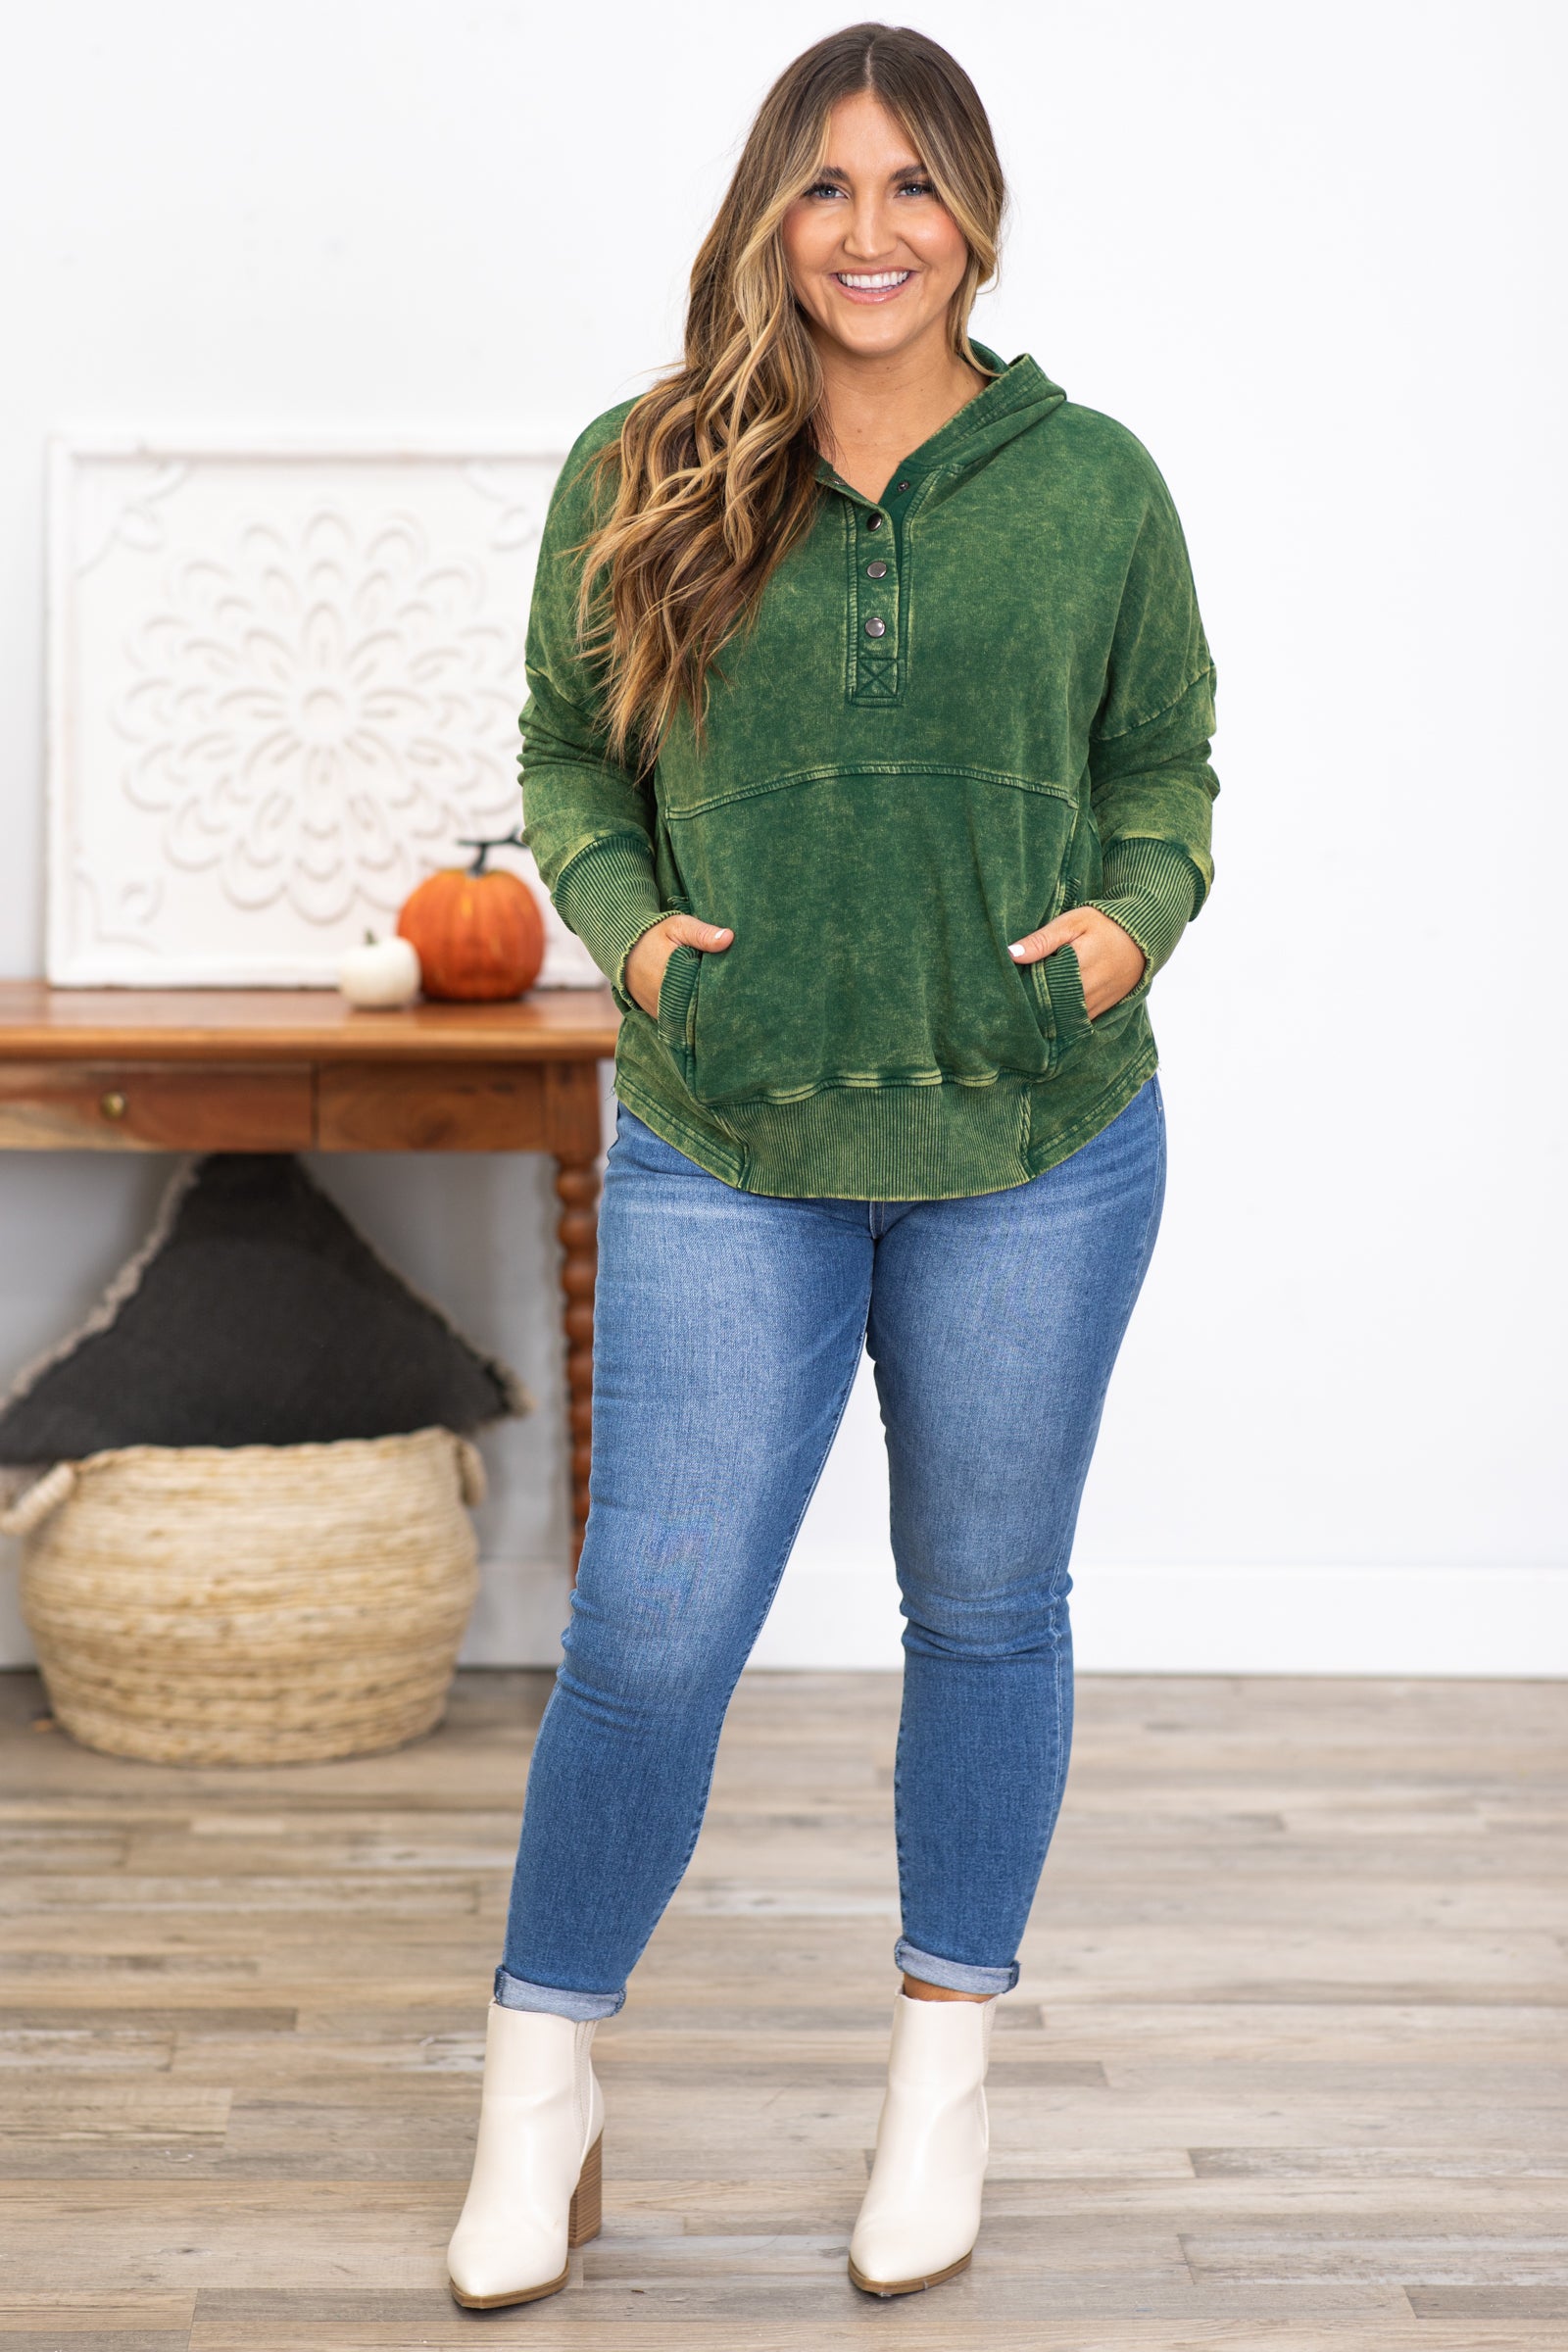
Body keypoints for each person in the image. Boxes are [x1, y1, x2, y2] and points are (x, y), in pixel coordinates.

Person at [447, 19, 1217, 2310]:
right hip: (726, 1134)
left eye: (911, 184)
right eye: (823, 183)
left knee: (981, 1612)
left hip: (1034, 1136)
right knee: (650, 1630)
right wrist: (628, 938)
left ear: (972, 212)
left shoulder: (1091, 487)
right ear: (764, 212)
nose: (869, 231)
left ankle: (937, 2085)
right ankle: (537, 2085)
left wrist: (1125, 925)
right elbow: (565, 757)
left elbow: (1165, 770)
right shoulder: (646, 462)